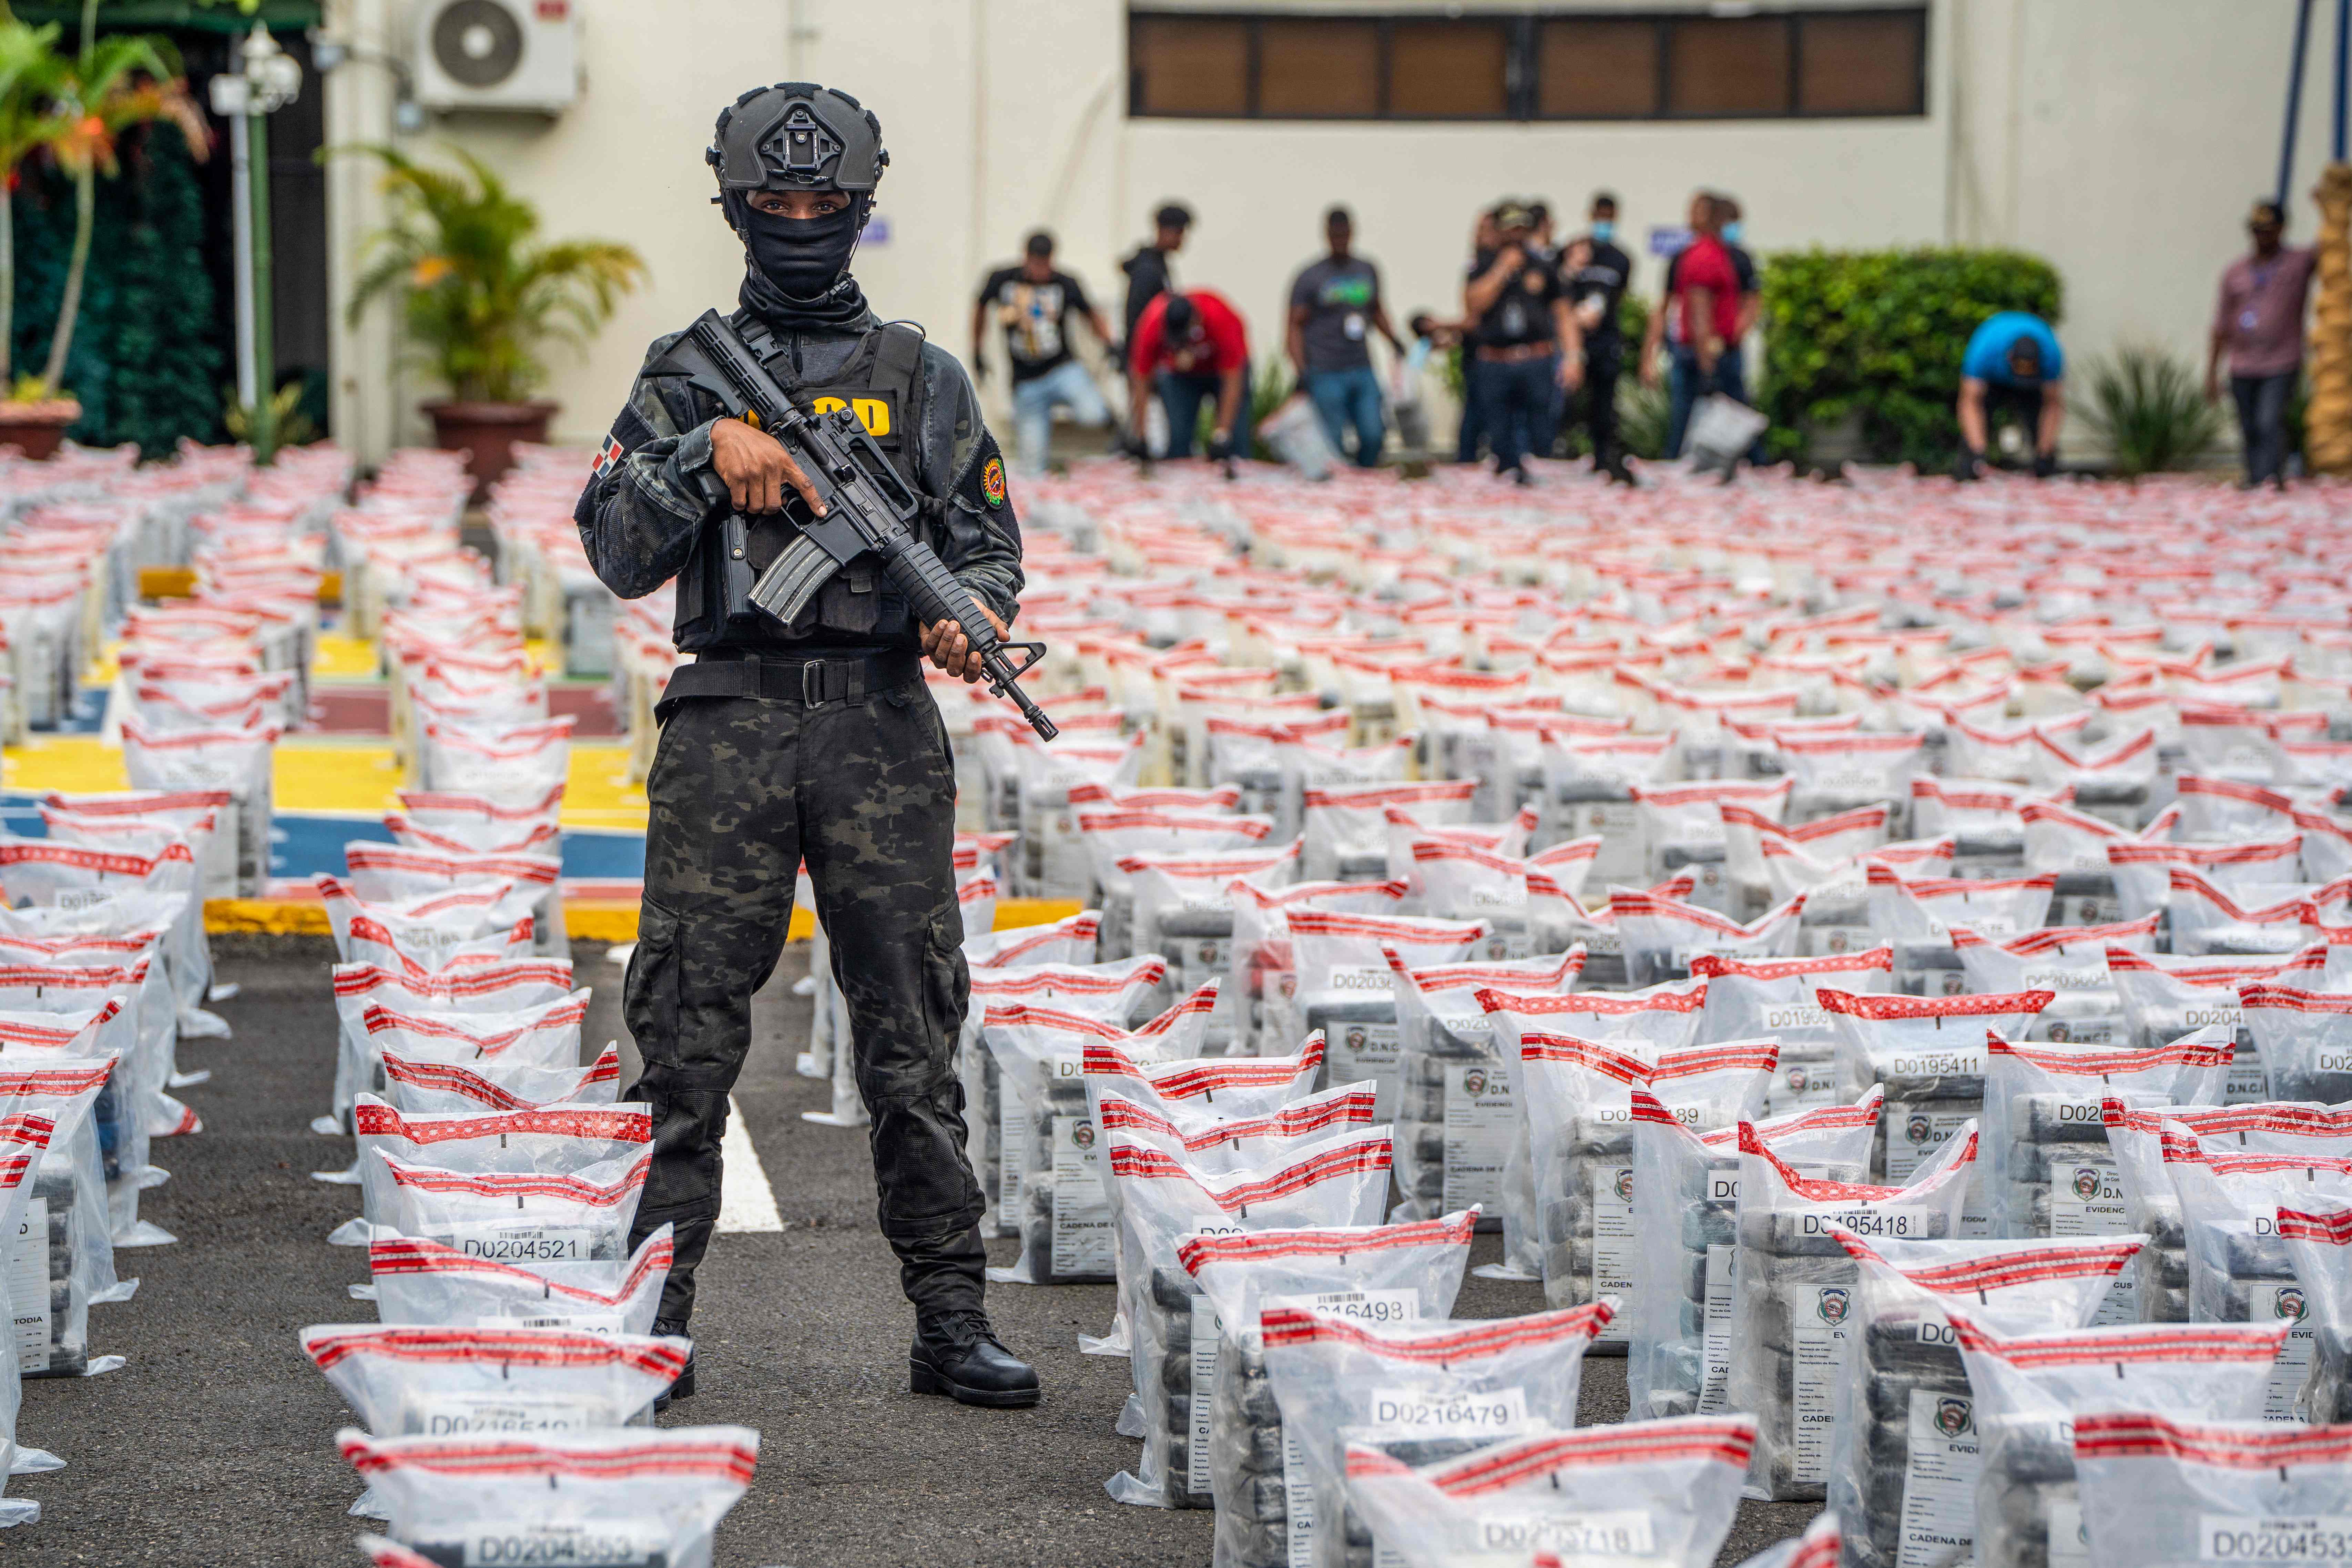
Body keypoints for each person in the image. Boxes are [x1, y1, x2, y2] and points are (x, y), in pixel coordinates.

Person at [572, 82, 1037, 1411]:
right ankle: (653, 1323)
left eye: (820, 203)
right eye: (772, 203)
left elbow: (988, 548)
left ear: (856, 209)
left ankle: (951, 1318)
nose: (796, 222)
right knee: (686, 1036)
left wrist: (973, 619)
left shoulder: (920, 377)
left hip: (881, 725)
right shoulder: (682, 371)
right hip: (725, 721)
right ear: (733, 205)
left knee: (912, 1029)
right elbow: (614, 549)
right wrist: (703, 454)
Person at [973, 231, 1116, 475]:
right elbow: (980, 306)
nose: (1041, 270)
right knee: (1031, 468)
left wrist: (1110, 344)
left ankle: (1112, 422)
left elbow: (1090, 313)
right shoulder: (1003, 279)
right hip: (1026, 382)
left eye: (1046, 263)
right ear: (1026, 257)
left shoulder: (1064, 282)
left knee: (1093, 415)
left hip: (1063, 369)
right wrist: (976, 350)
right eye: (1036, 263)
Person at [1462, 201, 1582, 484]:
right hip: (1496, 362)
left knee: (1540, 436)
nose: (1516, 234)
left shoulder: (1544, 266)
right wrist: (1502, 270)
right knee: (1500, 437)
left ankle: (1538, 495)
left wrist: (1574, 358)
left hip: (1535, 360)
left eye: (1521, 228)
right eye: (1510, 229)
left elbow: (1564, 315)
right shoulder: (1483, 264)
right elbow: (1473, 305)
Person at [2206, 198, 2316, 488]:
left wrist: (2331, 202)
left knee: (2270, 421)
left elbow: (2332, 246)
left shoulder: (2299, 262)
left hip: (2281, 361)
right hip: (2242, 363)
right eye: (2256, 230)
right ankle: (2255, 480)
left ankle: (2273, 479)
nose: (2261, 236)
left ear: (2281, 230)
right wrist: (2211, 371)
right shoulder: (2235, 272)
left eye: (2268, 230)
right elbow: (2220, 326)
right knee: (2249, 427)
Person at [1286, 206, 1405, 468]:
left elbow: (1376, 310)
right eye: (1335, 234)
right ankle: (1340, 496)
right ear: (1326, 235)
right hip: (1325, 368)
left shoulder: (1366, 269)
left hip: (1361, 365)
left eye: (1344, 234)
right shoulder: (1310, 277)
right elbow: (1294, 326)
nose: (1340, 240)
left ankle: (1364, 479)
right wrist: (1300, 369)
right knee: (1334, 440)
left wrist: (1394, 340)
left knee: (1374, 433)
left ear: (1352, 232)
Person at [1640, 192, 1744, 459]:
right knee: (1697, 427)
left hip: (1706, 350)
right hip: (1705, 352)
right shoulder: (1704, 257)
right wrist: (1707, 362)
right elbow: (1699, 313)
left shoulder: (1722, 255)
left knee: (1694, 425)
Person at [1129, 288, 1252, 460]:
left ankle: (1236, 479)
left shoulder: (1220, 318)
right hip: (1181, 378)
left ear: (1197, 320)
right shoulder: (1152, 323)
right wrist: (1140, 436)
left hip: (1222, 373)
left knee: (1234, 444)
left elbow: (1233, 381)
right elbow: (1141, 380)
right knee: (1179, 441)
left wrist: (1221, 435)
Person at [1565, 191, 1635, 482]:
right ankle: (1558, 450)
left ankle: (1602, 456)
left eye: (1608, 218)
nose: (1603, 223)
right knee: (1565, 401)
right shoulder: (1574, 250)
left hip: (1605, 340)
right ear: (1590, 216)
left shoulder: (1621, 259)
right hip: (1574, 339)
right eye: (1599, 218)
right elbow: (1557, 290)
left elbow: (1619, 298)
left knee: (1604, 404)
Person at [1956, 309, 2065, 479]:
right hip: (1993, 378)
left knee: (2038, 427)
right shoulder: (1985, 349)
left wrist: (2045, 452)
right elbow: (1970, 401)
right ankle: (1972, 462)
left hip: (2034, 384)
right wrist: (1978, 451)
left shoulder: (2051, 355)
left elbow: (2052, 404)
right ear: (2009, 358)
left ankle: (2045, 464)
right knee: (1974, 448)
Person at [1121, 202, 1191, 352]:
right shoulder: (1148, 269)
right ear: (1163, 231)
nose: (1182, 239)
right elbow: (1139, 319)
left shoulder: (1159, 263)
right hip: (1146, 353)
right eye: (1179, 232)